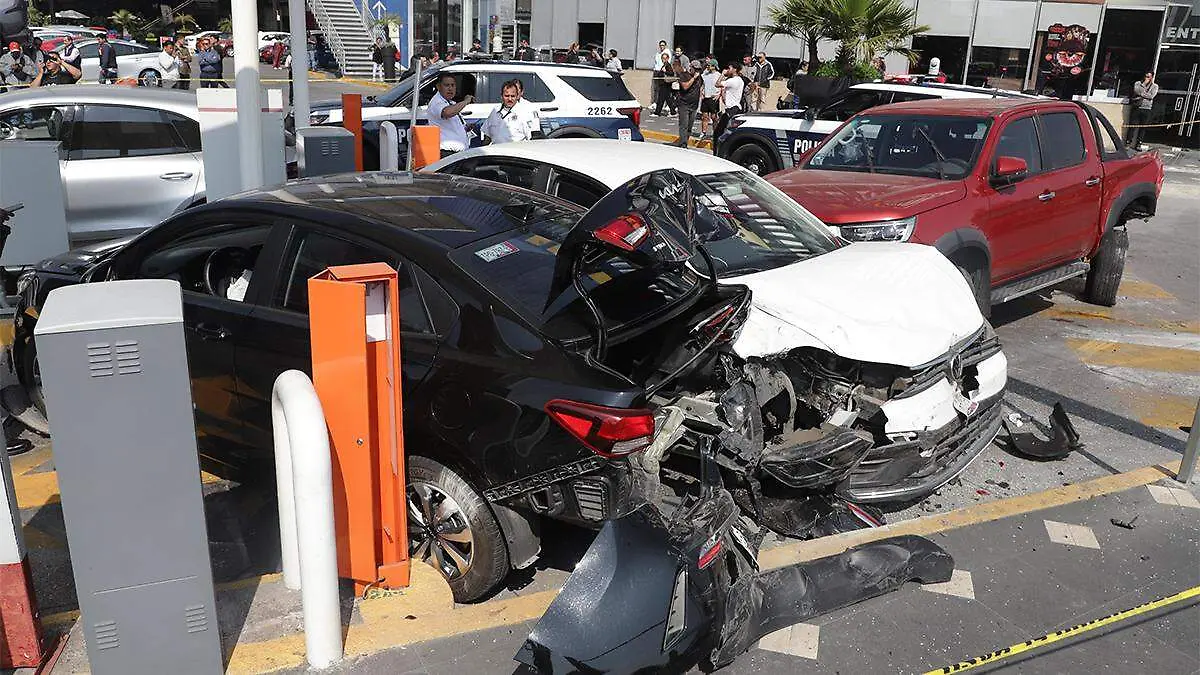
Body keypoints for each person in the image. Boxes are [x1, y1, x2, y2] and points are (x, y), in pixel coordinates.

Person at [427, 73, 474, 158]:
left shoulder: (450, 102)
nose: (450, 88)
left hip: (456, 153)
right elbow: (447, 113)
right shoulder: (436, 101)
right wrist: (466, 101)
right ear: (438, 87)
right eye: (446, 85)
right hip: (446, 153)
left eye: (453, 85)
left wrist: (465, 129)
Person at [481, 79, 539, 144]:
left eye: (513, 96)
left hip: (515, 153)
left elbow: (532, 140)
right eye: (507, 96)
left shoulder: (525, 113)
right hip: (496, 152)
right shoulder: (495, 111)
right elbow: (487, 136)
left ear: (517, 96)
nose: (510, 99)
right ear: (501, 96)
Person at [712, 62, 745, 155]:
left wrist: (722, 74)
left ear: (735, 69)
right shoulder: (740, 80)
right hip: (735, 108)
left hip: (731, 109)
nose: (728, 70)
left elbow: (717, 84)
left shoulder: (732, 81)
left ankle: (718, 154)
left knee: (719, 134)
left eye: (729, 68)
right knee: (727, 133)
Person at [1127, 71, 1158, 151]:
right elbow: (1136, 91)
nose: (1146, 78)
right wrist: (1144, 86)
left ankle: (1138, 144)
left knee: (1142, 127)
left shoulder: (1154, 86)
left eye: (1148, 77)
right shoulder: (1138, 83)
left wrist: (1141, 94)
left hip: (1146, 108)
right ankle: (1128, 142)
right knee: (1132, 126)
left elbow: (1152, 96)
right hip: (1137, 107)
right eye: (1145, 76)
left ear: (1151, 78)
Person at [673, 60, 702, 147]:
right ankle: (683, 144)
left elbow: (701, 87)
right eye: (695, 69)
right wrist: (693, 78)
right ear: (691, 67)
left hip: (694, 105)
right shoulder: (684, 75)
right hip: (684, 104)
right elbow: (685, 87)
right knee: (684, 125)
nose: (697, 71)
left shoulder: (700, 78)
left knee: (690, 126)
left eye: (698, 70)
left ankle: (685, 141)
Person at [699, 60, 720, 138]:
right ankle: (703, 132)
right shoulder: (705, 74)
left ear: (714, 66)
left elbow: (722, 86)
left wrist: (719, 95)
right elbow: (703, 84)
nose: (707, 67)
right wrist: (701, 92)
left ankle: (715, 133)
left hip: (713, 98)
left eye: (709, 65)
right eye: (707, 65)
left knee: (714, 117)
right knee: (704, 116)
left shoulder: (718, 75)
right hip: (706, 97)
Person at [654, 51, 677, 116]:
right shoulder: (664, 65)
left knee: (661, 99)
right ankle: (673, 112)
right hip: (664, 84)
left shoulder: (668, 65)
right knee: (667, 99)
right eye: (662, 58)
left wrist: (665, 71)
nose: (663, 60)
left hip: (665, 84)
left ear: (667, 58)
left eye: (664, 58)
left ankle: (657, 112)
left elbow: (671, 73)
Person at [651, 39, 669, 110]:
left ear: (665, 46)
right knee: (656, 88)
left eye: (663, 45)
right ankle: (655, 103)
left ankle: (664, 104)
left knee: (662, 88)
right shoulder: (658, 53)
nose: (661, 46)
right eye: (660, 45)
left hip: (662, 71)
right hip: (656, 71)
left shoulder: (667, 52)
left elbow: (667, 63)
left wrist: (664, 70)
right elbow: (656, 63)